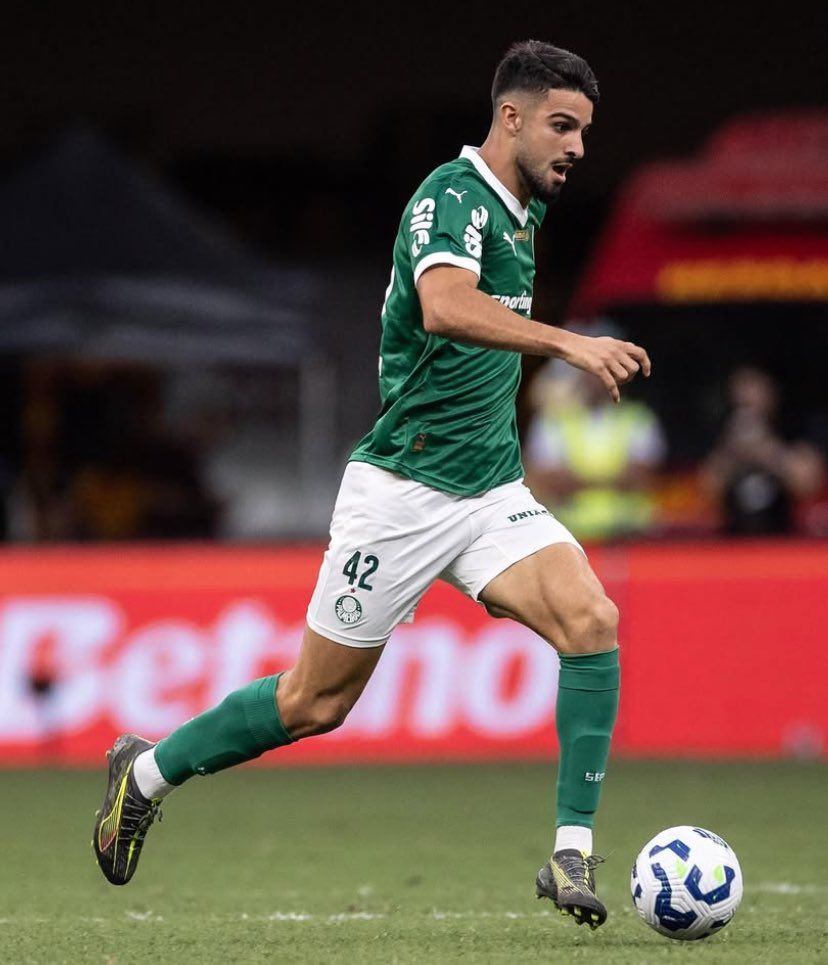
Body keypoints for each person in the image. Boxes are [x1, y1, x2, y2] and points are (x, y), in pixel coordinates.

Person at [92, 40, 651, 930]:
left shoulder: (522, 212)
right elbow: (444, 306)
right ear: (510, 116)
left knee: (592, 620)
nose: (578, 146)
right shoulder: (450, 198)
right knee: (315, 701)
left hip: (489, 491)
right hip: (402, 491)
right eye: (562, 125)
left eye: (584, 130)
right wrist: (568, 342)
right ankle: (146, 772)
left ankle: (571, 850)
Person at [525, 327, 666, 541]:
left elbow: (641, 478)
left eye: (606, 368)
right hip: (572, 537)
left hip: (630, 537)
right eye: (591, 368)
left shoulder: (638, 418)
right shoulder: (553, 420)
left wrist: (577, 481)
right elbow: (547, 481)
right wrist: (614, 479)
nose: (597, 376)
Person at [701, 366, 824, 535]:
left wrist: (767, 451)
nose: (746, 399)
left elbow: (807, 483)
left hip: (783, 538)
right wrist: (731, 451)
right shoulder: (724, 434)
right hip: (733, 540)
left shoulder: (791, 428)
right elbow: (709, 489)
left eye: (753, 389)